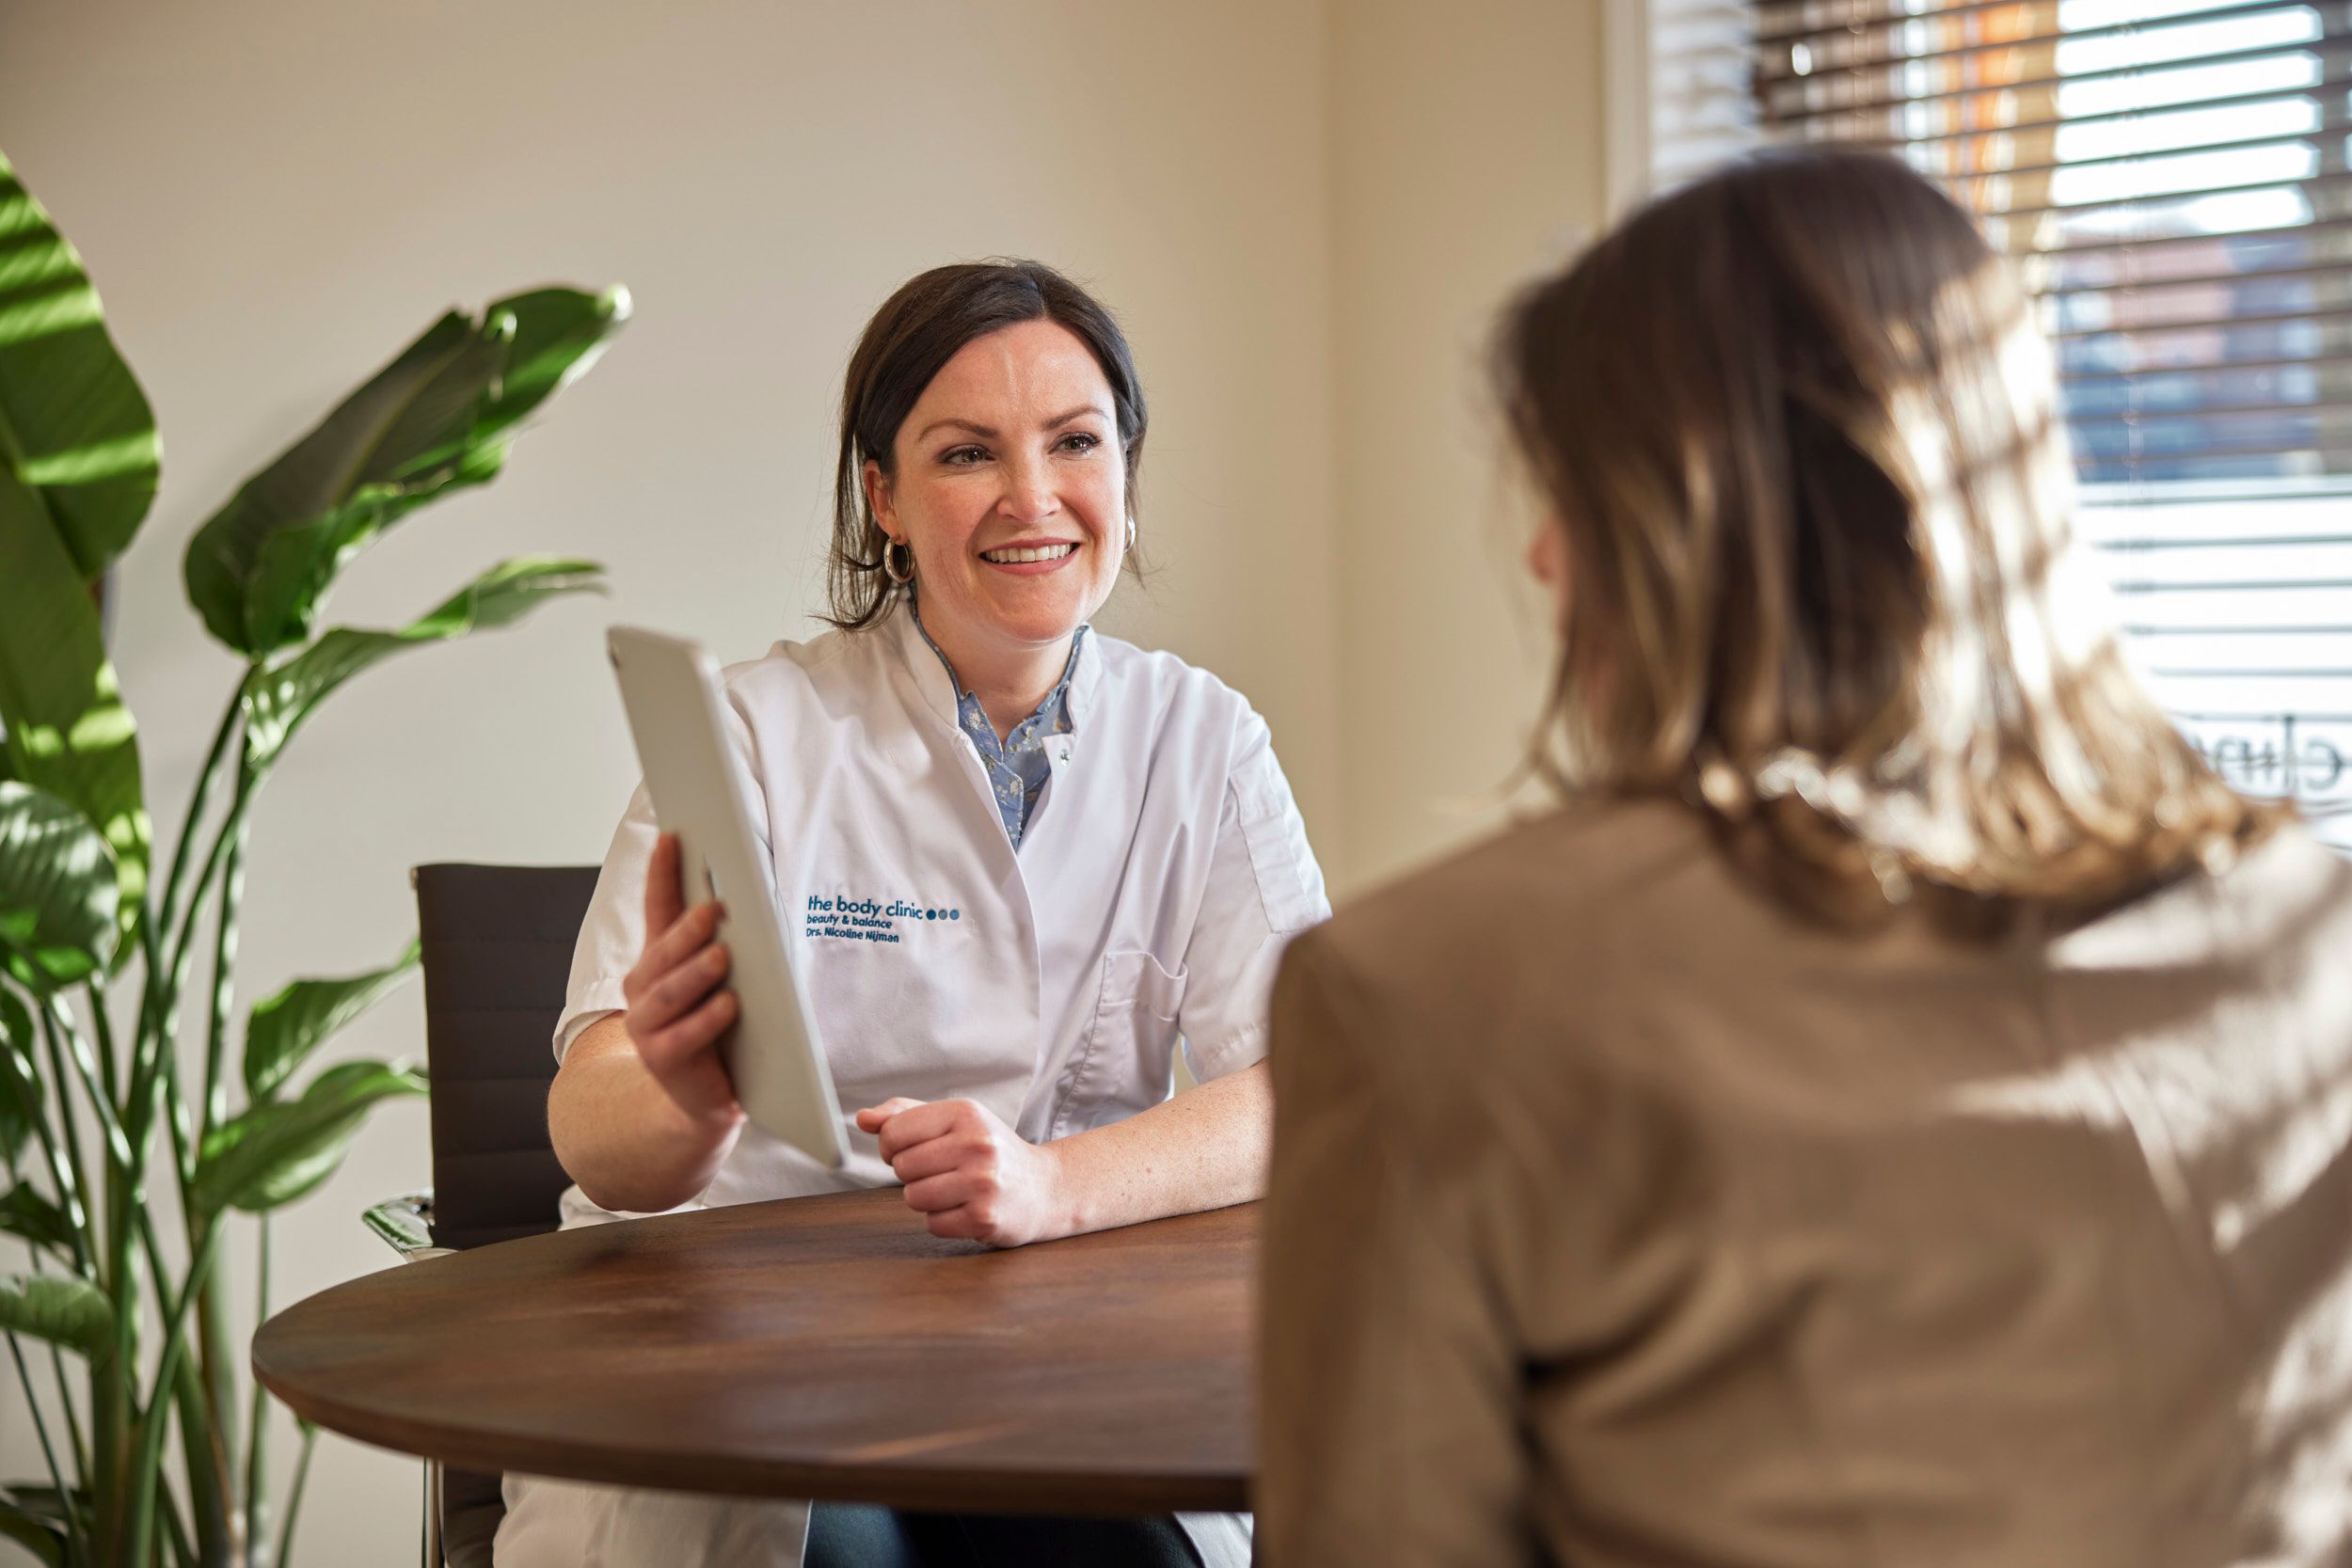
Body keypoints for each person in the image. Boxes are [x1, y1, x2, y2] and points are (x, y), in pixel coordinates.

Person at [1257, 149, 2352, 1567]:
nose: (1540, 560)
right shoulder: (2306, 933)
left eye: (1572, 492)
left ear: (1675, 520)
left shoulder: (1427, 994)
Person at [496, 261, 1328, 1568]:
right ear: (882, 495)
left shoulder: (1204, 741)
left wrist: (1055, 1185)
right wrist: (686, 1094)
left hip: (1055, 1357)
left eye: (1074, 443)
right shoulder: (757, 735)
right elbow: (593, 1124)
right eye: (965, 454)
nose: (1032, 498)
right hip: (757, 1350)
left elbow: (1309, 1088)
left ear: (1124, 469)